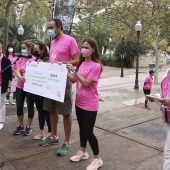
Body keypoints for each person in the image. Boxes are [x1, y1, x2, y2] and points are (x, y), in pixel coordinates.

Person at [40, 18, 79, 157]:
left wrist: (62, 64)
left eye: (51, 27)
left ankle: (67, 142)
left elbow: (77, 60)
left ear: (59, 27)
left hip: (64, 80)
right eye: (48, 27)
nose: (49, 30)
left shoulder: (70, 40)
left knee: (66, 112)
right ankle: (54, 136)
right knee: (51, 109)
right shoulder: (52, 42)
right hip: (51, 80)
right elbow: (52, 60)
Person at [66, 38, 103, 170]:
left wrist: (75, 71)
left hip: (90, 104)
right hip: (79, 102)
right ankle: (83, 151)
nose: (83, 49)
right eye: (82, 46)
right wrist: (65, 71)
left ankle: (97, 158)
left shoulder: (96, 66)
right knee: (82, 128)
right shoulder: (81, 64)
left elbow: (87, 83)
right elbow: (74, 80)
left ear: (93, 49)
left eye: (86, 47)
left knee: (88, 131)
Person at [149, 45, 170, 170]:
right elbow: (165, 93)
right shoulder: (168, 72)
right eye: (167, 52)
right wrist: (156, 97)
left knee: (168, 153)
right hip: (168, 117)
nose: (168, 56)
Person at [14, 40, 36, 136]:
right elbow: (17, 70)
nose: (22, 50)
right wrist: (20, 76)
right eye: (21, 48)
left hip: (30, 87)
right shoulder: (20, 59)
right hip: (20, 85)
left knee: (30, 105)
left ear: (29, 48)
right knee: (19, 106)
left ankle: (28, 126)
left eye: (24, 48)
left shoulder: (34, 59)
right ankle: (20, 125)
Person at [32, 42, 51, 140]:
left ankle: (50, 131)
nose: (34, 51)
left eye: (36, 49)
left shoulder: (47, 60)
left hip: (45, 90)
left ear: (42, 50)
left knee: (46, 110)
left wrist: (42, 64)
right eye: (34, 49)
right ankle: (41, 130)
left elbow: (48, 71)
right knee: (39, 110)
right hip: (36, 89)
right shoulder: (35, 59)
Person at [0, 43, 12, 130]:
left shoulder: (6, 61)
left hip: (2, 86)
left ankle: (1, 121)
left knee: (1, 103)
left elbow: (9, 75)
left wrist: (9, 87)